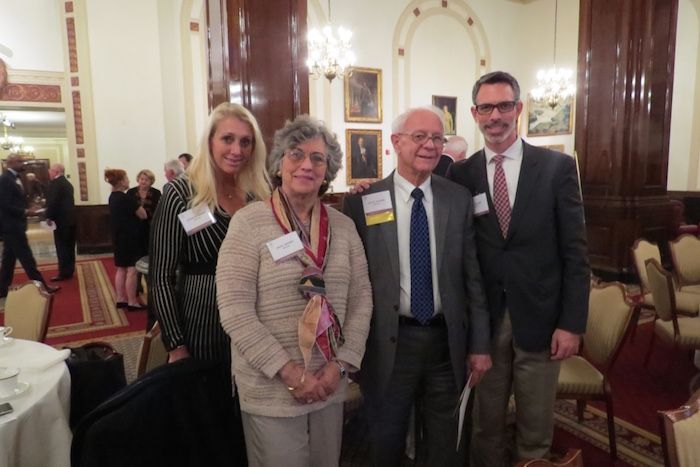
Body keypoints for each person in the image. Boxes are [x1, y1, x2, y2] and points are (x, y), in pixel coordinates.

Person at [446, 71, 590, 465]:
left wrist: (572, 323)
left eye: (504, 105)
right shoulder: (460, 174)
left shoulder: (557, 168)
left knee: (535, 426)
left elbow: (576, 253)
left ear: (519, 108)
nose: (495, 116)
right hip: (485, 322)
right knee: (485, 424)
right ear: (474, 114)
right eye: (486, 107)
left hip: (542, 319)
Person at [217, 114, 372, 467]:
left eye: (318, 158)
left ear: (327, 170)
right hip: (271, 387)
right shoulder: (248, 222)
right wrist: (290, 373)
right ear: (279, 164)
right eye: (296, 154)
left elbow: (362, 300)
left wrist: (340, 366)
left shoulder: (343, 227)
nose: (306, 165)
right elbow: (234, 310)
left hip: (328, 383)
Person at [343, 106, 491, 466]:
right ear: (396, 142)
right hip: (388, 344)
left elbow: (472, 276)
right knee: (385, 441)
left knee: (446, 444)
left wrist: (480, 344)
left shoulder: (457, 198)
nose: (430, 145)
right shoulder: (362, 201)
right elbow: (351, 282)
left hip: (446, 344)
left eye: (437, 138)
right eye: (419, 136)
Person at [150, 103, 270, 463]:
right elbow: (161, 276)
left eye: (246, 142)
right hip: (204, 324)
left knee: (249, 417)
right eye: (228, 139)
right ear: (210, 141)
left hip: (254, 323)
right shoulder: (181, 193)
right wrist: (176, 345)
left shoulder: (258, 192)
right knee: (208, 424)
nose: (237, 150)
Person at [0, 154, 59, 304]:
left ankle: (2, 289)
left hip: (14, 226)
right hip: (12, 226)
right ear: (10, 163)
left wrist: (30, 206)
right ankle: (42, 287)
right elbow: (4, 204)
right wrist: (25, 212)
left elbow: (15, 200)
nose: (23, 163)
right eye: (20, 161)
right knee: (27, 259)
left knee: (8, 261)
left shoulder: (15, 178)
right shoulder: (5, 179)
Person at [105, 168, 148, 311]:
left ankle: (121, 299)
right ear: (121, 182)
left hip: (118, 236)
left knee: (121, 268)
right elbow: (143, 215)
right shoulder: (126, 198)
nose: (129, 180)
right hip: (130, 237)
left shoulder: (112, 197)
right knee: (132, 270)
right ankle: (132, 302)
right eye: (126, 178)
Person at [45, 163, 76, 281]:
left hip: (61, 221)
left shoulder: (56, 184)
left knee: (62, 247)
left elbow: (53, 202)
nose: (49, 172)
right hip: (70, 220)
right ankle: (69, 270)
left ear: (56, 171)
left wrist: (48, 216)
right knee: (69, 247)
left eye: (51, 170)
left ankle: (64, 272)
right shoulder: (67, 183)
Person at [126, 169, 161, 261]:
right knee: (136, 250)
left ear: (151, 181)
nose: (143, 181)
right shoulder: (131, 192)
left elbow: (158, 209)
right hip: (134, 225)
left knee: (148, 249)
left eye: (146, 179)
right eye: (142, 179)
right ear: (138, 179)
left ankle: (148, 266)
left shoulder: (156, 193)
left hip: (150, 225)